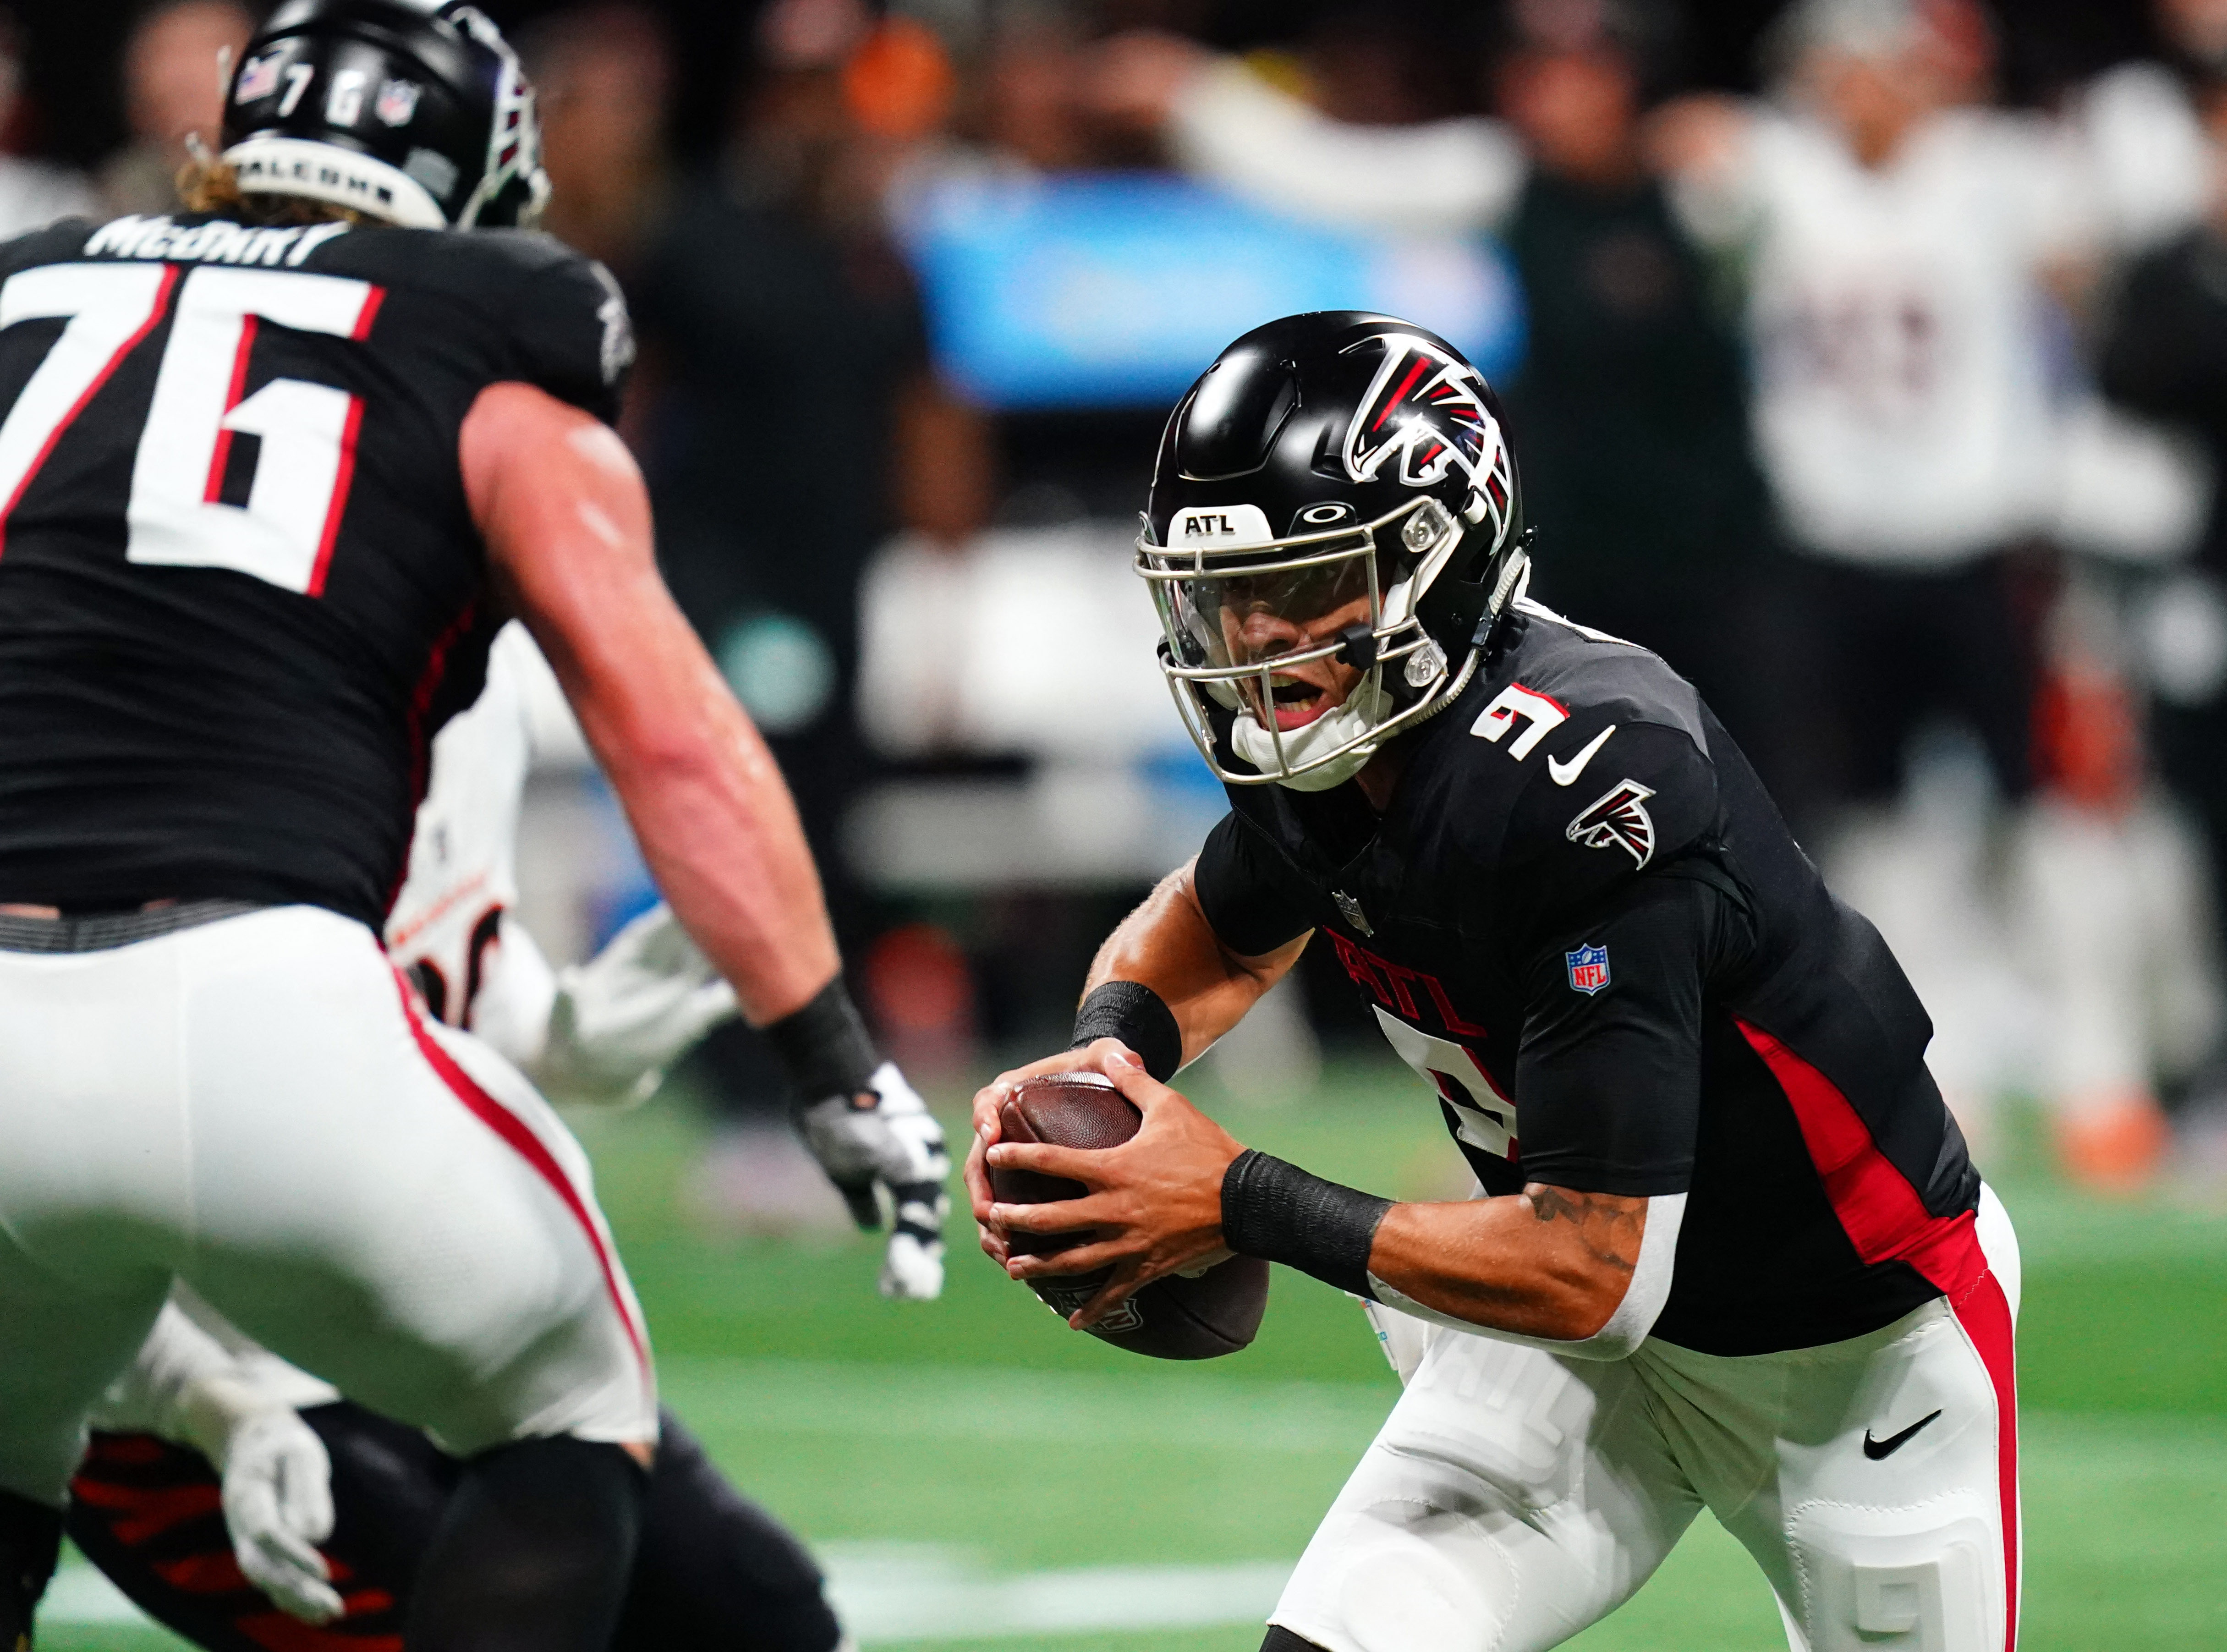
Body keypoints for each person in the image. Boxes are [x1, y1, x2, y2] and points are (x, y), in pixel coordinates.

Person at [0, 2, 945, 1646]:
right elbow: (669, 728)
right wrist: (831, 1061)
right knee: (571, 1411)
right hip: (255, 1010)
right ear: (483, 187)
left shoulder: (26, 299)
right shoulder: (482, 358)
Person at [966, 313, 2021, 1652]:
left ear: (1436, 558)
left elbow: (1597, 1268)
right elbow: (1219, 929)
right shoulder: (1327, 718)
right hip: (1565, 1361)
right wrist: (1103, 1062)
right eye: (1223, 599)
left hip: (1850, 1362)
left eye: (1297, 591)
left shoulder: (1599, 786)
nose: (1253, 644)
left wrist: (1231, 1197)